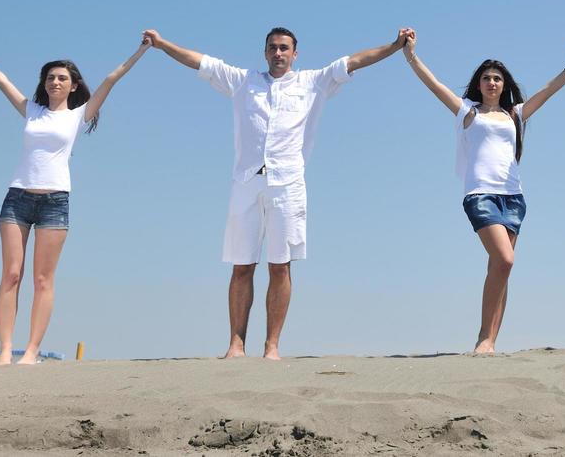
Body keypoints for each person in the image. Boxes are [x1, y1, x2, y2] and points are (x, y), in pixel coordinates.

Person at [142, 25, 409, 360]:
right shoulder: (243, 81)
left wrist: (394, 46)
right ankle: (236, 345)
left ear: (295, 53)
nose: (278, 53)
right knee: (241, 266)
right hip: (246, 183)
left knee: (280, 266)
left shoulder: (313, 82)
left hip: (288, 184)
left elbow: (354, 61)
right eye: (272, 47)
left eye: (285, 48)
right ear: (265, 52)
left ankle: (272, 346)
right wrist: (163, 44)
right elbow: (201, 62)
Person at [0, 32, 150, 365]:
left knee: (42, 279)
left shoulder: (79, 115)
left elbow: (111, 78)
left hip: (55, 201)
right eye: (50, 77)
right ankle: (5, 350)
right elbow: (1, 80)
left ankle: (31, 351)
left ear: (74, 85)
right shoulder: (31, 110)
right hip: (17, 198)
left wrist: (140, 50)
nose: (55, 82)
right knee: (11, 275)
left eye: (62, 78)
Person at [400, 31, 565, 354]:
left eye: (497, 78)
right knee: (505, 260)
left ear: (504, 84)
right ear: (478, 83)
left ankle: (490, 341)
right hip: (480, 194)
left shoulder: (515, 115)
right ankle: (484, 337)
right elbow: (435, 85)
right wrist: (411, 55)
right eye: (486, 78)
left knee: (500, 268)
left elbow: (547, 91)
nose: (492, 83)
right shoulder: (467, 111)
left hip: (513, 197)